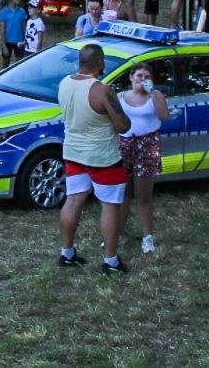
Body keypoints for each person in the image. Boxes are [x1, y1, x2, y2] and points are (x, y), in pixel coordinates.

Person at [57, 43, 132, 274]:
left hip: (73, 153)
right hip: (103, 157)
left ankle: (66, 252)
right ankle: (110, 260)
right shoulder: (103, 91)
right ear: (100, 63)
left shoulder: (64, 83)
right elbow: (122, 126)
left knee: (73, 200)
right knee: (110, 205)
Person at [115, 62, 169, 256]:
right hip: (125, 145)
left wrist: (153, 93)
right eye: (139, 76)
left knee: (143, 196)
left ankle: (148, 238)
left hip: (147, 146)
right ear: (131, 77)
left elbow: (164, 116)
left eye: (147, 76)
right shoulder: (120, 97)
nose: (143, 80)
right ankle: (118, 234)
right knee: (123, 194)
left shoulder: (155, 96)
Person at [0, 0, 28, 66]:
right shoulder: (3, 12)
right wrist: (4, 46)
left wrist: (25, 41)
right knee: (5, 62)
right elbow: (2, 30)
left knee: (20, 63)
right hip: (7, 41)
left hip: (20, 41)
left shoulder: (22, 11)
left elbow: (24, 28)